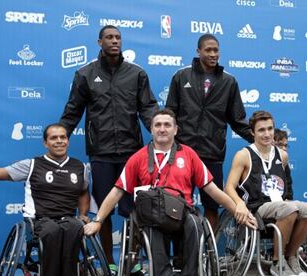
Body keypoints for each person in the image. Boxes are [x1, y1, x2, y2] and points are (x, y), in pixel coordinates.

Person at [84, 109, 257, 276]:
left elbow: (212, 189)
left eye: (167, 125)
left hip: (182, 211)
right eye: (157, 125)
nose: (162, 129)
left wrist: (238, 211)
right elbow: (116, 192)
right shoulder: (138, 157)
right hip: (151, 214)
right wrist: (98, 221)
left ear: (175, 129)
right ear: (151, 129)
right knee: (151, 229)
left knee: (196, 225)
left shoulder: (189, 154)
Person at [59, 24, 158, 272]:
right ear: (99, 42)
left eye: (118, 37)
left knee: (134, 208)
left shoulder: (136, 73)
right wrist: (60, 134)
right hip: (101, 152)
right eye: (109, 37)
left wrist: (159, 130)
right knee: (103, 207)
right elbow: (73, 110)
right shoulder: (85, 74)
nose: (115, 41)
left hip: (131, 152)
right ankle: (110, 263)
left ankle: (132, 261)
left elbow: (148, 108)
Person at [0, 123, 89, 276]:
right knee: (51, 231)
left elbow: (84, 192)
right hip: (40, 220)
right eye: (54, 138)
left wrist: (83, 214)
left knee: (75, 227)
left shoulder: (79, 167)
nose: (59, 141)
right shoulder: (32, 165)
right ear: (45, 143)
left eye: (63, 137)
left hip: (68, 218)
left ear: (68, 141)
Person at [165, 34, 253, 230]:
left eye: (216, 50)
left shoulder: (229, 81)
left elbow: (238, 120)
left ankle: (209, 254)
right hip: (182, 153)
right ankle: (183, 255)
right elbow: (170, 114)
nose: (213, 54)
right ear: (198, 51)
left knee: (212, 206)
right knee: (177, 205)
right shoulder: (181, 76)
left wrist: (259, 140)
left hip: (212, 152)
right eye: (208, 50)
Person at [224, 111, 307, 276]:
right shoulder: (243, 155)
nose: (267, 134)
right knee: (288, 209)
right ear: (252, 132)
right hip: (256, 208)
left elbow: (286, 185)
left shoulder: (282, 155)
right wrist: (239, 204)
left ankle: (291, 257)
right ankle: (277, 262)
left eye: (270, 129)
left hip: (279, 205)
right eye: (261, 130)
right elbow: (229, 187)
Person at [274, 128, 293, 200]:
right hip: (265, 204)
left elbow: (288, 187)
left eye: (286, 145)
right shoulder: (258, 162)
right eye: (280, 145)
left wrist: (288, 200)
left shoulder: (285, 164)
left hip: (283, 204)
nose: (284, 148)